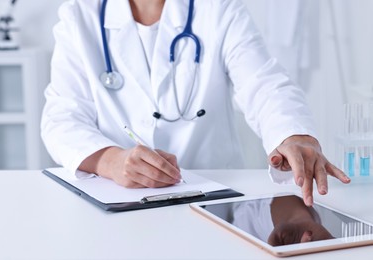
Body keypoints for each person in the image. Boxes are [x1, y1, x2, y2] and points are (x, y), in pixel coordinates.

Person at [41, 0, 350, 207]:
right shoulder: (80, 14)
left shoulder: (217, 8)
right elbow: (62, 118)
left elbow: (263, 82)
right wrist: (110, 161)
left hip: (214, 202)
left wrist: (292, 134)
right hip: (115, 203)